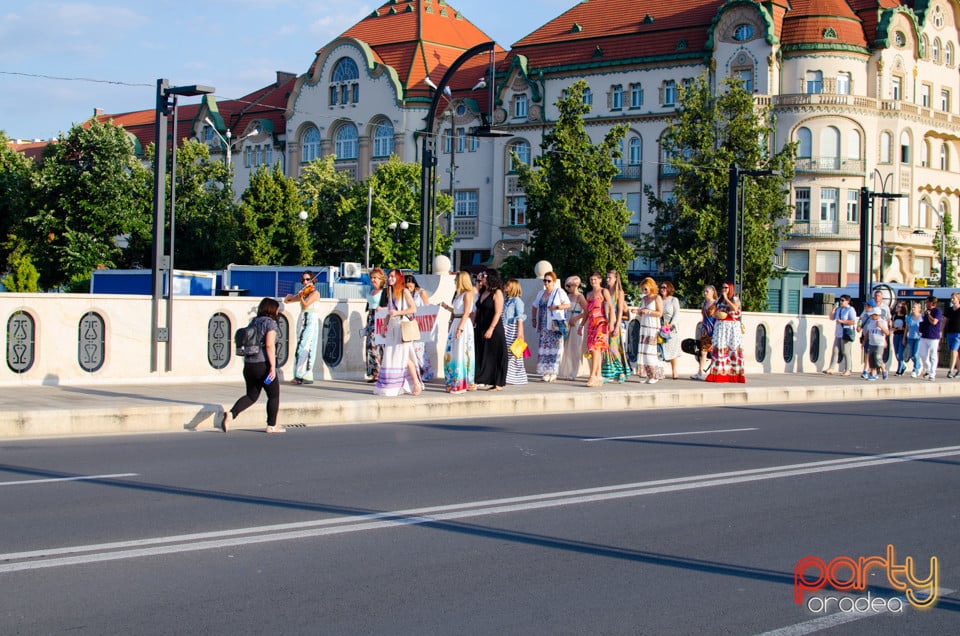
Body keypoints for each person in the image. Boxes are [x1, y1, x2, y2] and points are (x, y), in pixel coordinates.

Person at [222, 297, 283, 433]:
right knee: (274, 395)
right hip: (264, 365)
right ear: (272, 310)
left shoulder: (253, 322)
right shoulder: (271, 324)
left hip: (249, 365)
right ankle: (271, 426)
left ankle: (231, 414)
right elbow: (269, 345)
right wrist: (272, 367)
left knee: (251, 396)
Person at [374, 269, 423, 396]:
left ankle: (416, 383)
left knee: (404, 356)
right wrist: (384, 325)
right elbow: (389, 311)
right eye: (389, 276)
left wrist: (398, 313)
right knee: (392, 355)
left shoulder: (404, 291)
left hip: (402, 326)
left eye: (392, 277)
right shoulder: (389, 292)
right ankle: (396, 384)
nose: (390, 279)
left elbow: (413, 308)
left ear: (398, 278)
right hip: (392, 326)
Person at [440, 271, 475, 394]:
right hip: (456, 321)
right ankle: (453, 381)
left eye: (456, 279)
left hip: (463, 323)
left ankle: (461, 383)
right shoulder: (458, 295)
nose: (455, 282)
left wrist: (460, 328)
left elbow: (466, 313)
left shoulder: (467, 294)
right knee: (452, 352)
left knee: (461, 352)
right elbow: (456, 311)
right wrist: (446, 307)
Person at [283, 271, 321, 385]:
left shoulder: (315, 293)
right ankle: (300, 374)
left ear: (312, 280)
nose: (305, 282)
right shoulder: (305, 292)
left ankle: (302, 374)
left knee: (305, 345)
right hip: (303, 318)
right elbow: (289, 301)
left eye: (308, 279)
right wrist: (288, 298)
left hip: (310, 319)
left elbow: (305, 304)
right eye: (303, 280)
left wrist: (301, 297)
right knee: (301, 345)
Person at [532, 271, 570, 382]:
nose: (546, 283)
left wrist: (557, 307)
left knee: (554, 348)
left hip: (554, 325)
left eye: (549, 281)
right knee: (544, 348)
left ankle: (553, 372)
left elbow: (567, 304)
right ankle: (545, 371)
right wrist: (534, 319)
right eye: (545, 280)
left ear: (553, 282)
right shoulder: (541, 293)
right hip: (543, 325)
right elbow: (534, 306)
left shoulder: (558, 292)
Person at [474, 268, 507, 390]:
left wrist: (491, 329)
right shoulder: (483, 291)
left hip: (493, 326)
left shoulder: (497, 293)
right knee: (483, 353)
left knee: (496, 353)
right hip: (481, 325)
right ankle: (484, 378)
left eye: (484, 275)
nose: (481, 277)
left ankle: (498, 382)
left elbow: (498, 312)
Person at [706, 281, 745, 383]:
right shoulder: (719, 299)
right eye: (723, 288)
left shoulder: (735, 298)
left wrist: (727, 298)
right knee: (720, 347)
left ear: (730, 289)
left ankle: (734, 374)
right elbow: (713, 310)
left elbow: (735, 308)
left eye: (726, 288)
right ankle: (719, 373)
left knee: (733, 348)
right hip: (721, 325)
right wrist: (714, 314)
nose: (724, 290)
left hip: (732, 325)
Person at [580, 272, 611, 387]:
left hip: (601, 323)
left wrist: (612, 324)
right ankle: (598, 374)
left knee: (596, 348)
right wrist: (581, 325)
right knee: (593, 350)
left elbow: (611, 308)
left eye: (595, 279)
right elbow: (586, 312)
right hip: (591, 324)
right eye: (591, 279)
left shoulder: (604, 291)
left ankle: (592, 375)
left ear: (600, 280)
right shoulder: (588, 294)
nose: (593, 281)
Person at [601, 269, 630, 383]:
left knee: (615, 348)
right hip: (606, 323)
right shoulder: (606, 291)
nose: (607, 280)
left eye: (610, 278)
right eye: (607, 277)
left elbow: (620, 311)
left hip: (615, 323)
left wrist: (617, 325)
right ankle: (609, 372)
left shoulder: (619, 292)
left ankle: (621, 371)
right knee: (606, 348)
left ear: (616, 279)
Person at [558, 276, 590, 381]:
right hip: (567, 321)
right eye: (566, 285)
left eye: (569, 285)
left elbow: (586, 311)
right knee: (567, 347)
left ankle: (574, 372)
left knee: (575, 347)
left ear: (576, 285)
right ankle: (567, 371)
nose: (567, 287)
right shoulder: (568, 296)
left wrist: (576, 318)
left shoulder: (580, 297)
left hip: (575, 323)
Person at [405, 274, 434, 382]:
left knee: (419, 349)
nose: (409, 289)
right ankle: (416, 373)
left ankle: (427, 371)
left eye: (410, 286)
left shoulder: (421, 292)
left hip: (419, 323)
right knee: (410, 349)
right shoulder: (405, 294)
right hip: (409, 323)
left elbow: (427, 307)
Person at [636, 277, 663, 384]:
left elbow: (660, 313)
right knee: (643, 352)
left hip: (653, 327)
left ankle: (655, 375)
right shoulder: (644, 299)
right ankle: (648, 375)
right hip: (644, 327)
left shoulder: (657, 298)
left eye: (646, 289)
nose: (644, 291)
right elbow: (642, 311)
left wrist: (648, 311)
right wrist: (639, 311)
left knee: (650, 352)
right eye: (643, 289)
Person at [502, 278, 529, 385]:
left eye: (508, 285)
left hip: (512, 328)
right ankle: (506, 375)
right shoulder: (506, 300)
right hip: (504, 327)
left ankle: (517, 377)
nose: (505, 286)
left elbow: (520, 318)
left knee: (513, 352)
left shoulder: (517, 301)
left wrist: (520, 333)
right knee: (506, 352)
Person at [824, 294, 857, 376]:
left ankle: (848, 369)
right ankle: (831, 368)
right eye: (840, 300)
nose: (841, 302)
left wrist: (842, 321)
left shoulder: (850, 309)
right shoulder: (839, 309)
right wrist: (833, 309)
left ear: (847, 301)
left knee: (846, 351)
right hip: (838, 333)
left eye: (843, 300)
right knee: (835, 350)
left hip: (846, 332)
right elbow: (831, 318)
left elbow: (853, 321)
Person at [364, 268, 387, 382]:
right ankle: (374, 372)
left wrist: (382, 308)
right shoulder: (371, 291)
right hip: (371, 318)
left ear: (381, 279)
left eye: (375, 278)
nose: (373, 280)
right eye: (372, 278)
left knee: (375, 345)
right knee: (369, 346)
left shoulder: (385, 292)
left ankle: (380, 371)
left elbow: (390, 306)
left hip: (379, 319)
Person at [691, 285, 717, 380]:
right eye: (705, 291)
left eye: (707, 291)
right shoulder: (704, 304)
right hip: (705, 331)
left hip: (714, 330)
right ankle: (700, 372)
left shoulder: (716, 304)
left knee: (714, 352)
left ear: (712, 292)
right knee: (703, 352)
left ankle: (713, 373)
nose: (705, 293)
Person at [658, 281, 682, 380]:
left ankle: (674, 371)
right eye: (661, 287)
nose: (662, 289)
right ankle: (661, 371)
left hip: (671, 328)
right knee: (660, 350)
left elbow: (677, 313)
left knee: (672, 350)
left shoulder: (673, 300)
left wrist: (671, 324)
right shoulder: (658, 300)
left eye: (664, 287)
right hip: (660, 326)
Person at [918, 296, 943, 381]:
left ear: (932, 303)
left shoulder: (937, 311)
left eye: (927, 302)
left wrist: (929, 315)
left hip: (933, 337)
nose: (926, 304)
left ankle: (932, 373)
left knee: (933, 356)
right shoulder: (925, 312)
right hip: (924, 336)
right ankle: (928, 368)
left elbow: (934, 322)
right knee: (922, 355)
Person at [864, 306, 890, 381]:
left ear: (877, 315)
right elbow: (868, 332)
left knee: (877, 357)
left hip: (879, 343)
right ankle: (873, 374)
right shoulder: (871, 322)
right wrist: (864, 341)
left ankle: (884, 370)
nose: (872, 316)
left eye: (873, 315)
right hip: (872, 343)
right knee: (871, 359)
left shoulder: (882, 322)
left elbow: (887, 333)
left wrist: (881, 326)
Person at [902, 302, 923, 377]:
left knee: (916, 354)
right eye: (913, 307)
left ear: (919, 309)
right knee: (911, 355)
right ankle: (919, 365)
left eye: (915, 307)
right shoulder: (909, 317)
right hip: (910, 337)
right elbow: (906, 328)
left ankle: (915, 369)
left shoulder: (922, 317)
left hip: (919, 338)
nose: (913, 309)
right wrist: (904, 338)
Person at [943, 293, 960, 378]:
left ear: (958, 299)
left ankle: (951, 370)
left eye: (954, 298)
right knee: (954, 353)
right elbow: (945, 321)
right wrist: (941, 330)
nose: (952, 299)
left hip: (958, 333)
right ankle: (959, 371)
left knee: (954, 351)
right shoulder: (949, 310)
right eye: (951, 298)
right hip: (950, 333)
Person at [891, 301, 907, 377]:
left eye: (899, 307)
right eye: (897, 306)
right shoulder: (894, 316)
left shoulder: (905, 317)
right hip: (896, 335)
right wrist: (894, 328)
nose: (897, 308)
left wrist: (902, 328)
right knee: (896, 353)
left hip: (902, 335)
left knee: (900, 353)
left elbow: (906, 328)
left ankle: (899, 370)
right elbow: (892, 326)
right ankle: (903, 366)